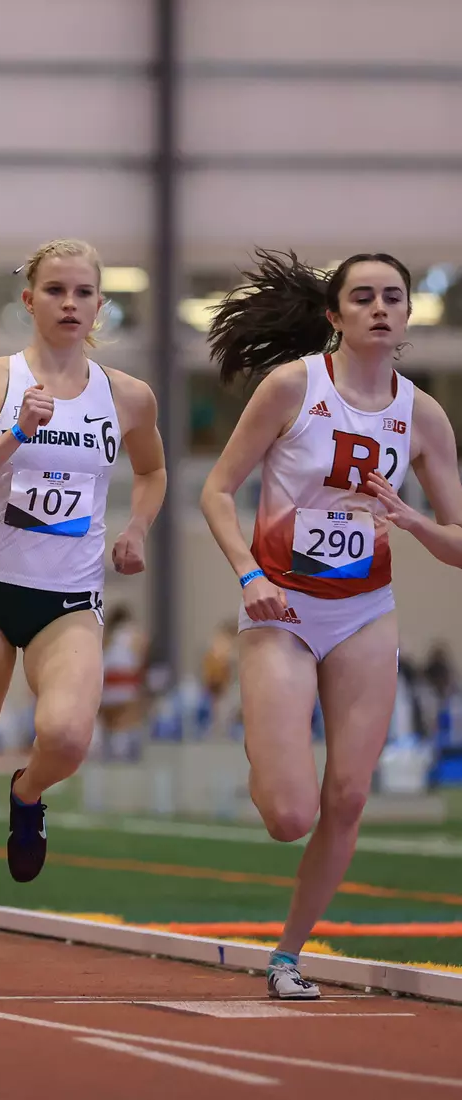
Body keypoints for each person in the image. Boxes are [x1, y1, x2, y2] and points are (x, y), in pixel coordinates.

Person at [200, 250, 462, 999]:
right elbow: (216, 491)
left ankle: (287, 956)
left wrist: (412, 520)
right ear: (334, 314)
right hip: (280, 606)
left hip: (363, 613)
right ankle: (265, 746)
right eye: (363, 296)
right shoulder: (293, 386)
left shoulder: (423, 415)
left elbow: (456, 541)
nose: (380, 308)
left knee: (347, 796)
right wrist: (247, 575)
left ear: (408, 314)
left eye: (393, 297)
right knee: (290, 814)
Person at [0, 238, 166, 991]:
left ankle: (27, 793)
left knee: (65, 736)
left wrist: (136, 529)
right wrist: (14, 435)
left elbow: (153, 469)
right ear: (28, 300)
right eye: (55, 290)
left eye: (83, 292)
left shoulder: (127, 396)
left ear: (100, 305)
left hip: (69, 597)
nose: (70, 303)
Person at [100, 604, 149, 760]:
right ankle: (122, 754)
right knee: (126, 724)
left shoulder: (105, 635)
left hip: (108, 688)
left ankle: (114, 753)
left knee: (112, 727)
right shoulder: (134, 635)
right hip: (125, 688)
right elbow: (141, 661)